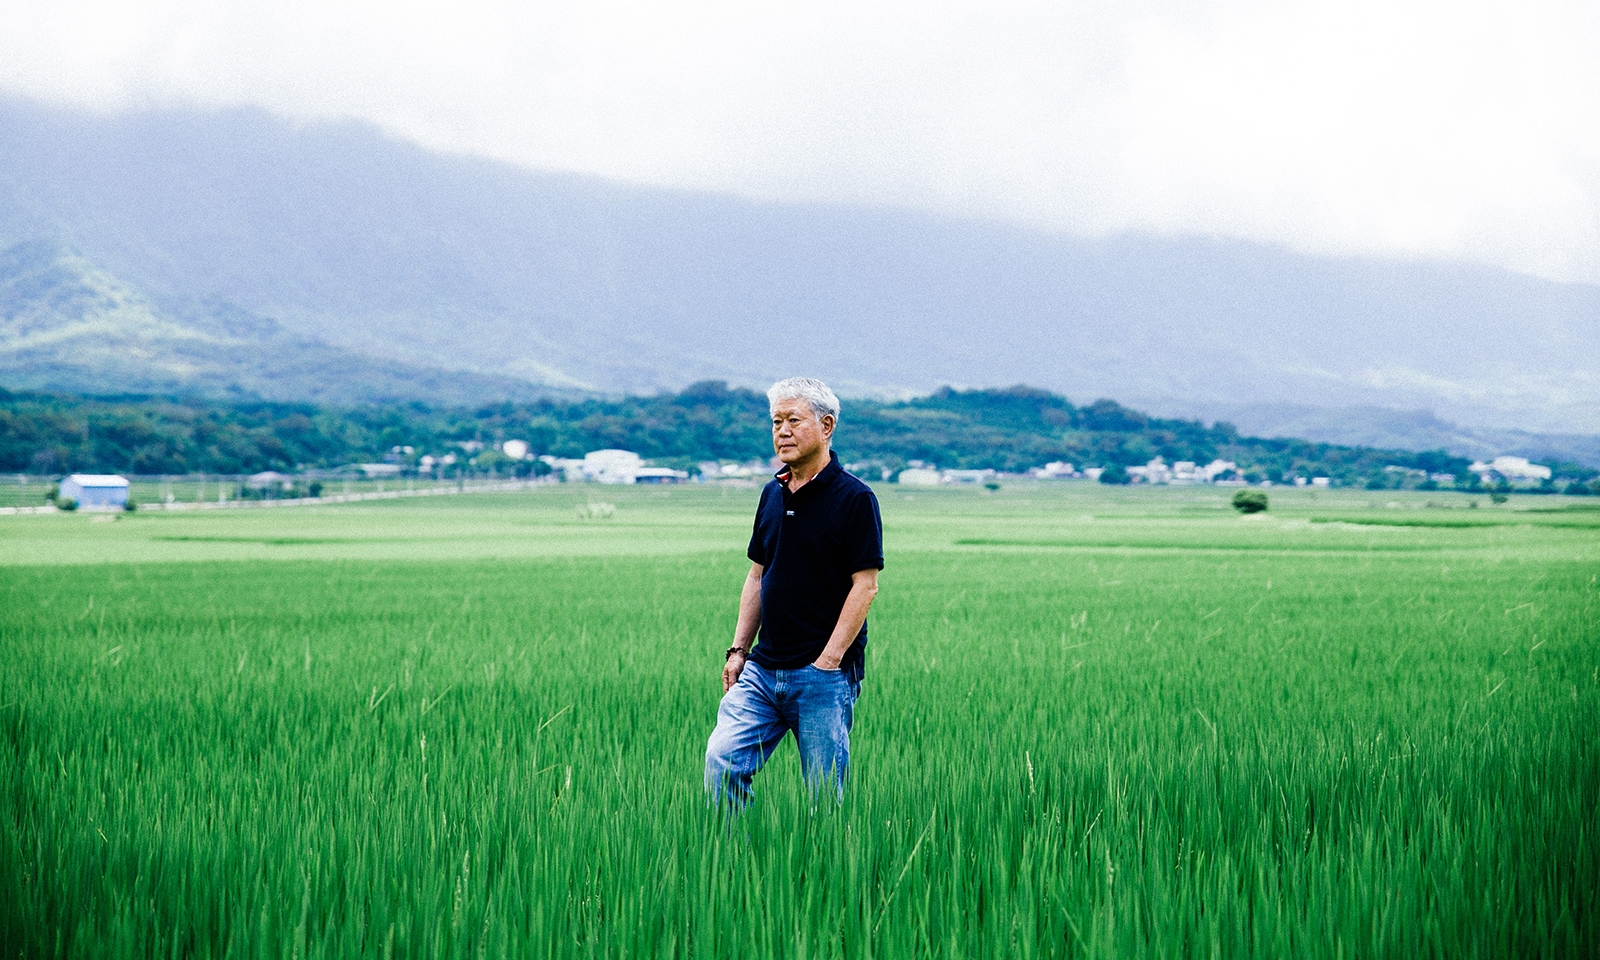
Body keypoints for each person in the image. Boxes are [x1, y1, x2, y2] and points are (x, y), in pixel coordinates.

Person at [704, 377, 883, 807]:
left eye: (793, 420)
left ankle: (825, 873)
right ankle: (731, 866)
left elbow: (866, 586)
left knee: (824, 796)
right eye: (775, 422)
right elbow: (757, 576)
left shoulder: (855, 498)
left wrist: (828, 662)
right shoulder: (771, 493)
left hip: (821, 675)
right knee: (721, 761)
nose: (782, 431)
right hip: (763, 670)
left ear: (826, 426)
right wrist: (738, 650)